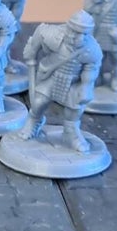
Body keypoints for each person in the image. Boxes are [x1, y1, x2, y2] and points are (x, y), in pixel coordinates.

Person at [18, 10, 102, 153]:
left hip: (73, 81)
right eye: (73, 31)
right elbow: (40, 32)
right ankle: (34, 121)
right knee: (38, 103)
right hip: (52, 76)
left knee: (74, 109)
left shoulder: (91, 49)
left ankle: (71, 132)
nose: (75, 37)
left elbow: (91, 69)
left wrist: (86, 86)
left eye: (81, 34)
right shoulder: (54, 34)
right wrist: (32, 50)